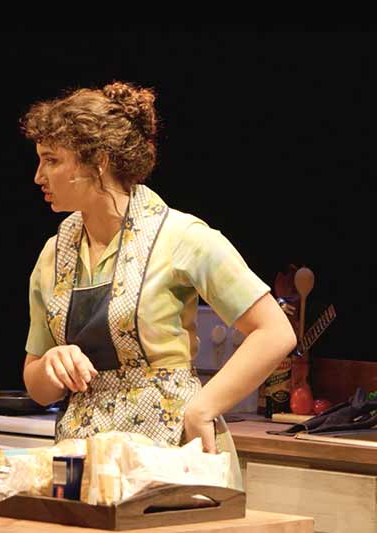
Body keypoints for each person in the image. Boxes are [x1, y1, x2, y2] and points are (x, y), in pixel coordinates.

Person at [20, 82, 296, 488]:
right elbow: (38, 388)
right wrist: (52, 365)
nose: (38, 175)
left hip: (170, 451)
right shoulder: (54, 253)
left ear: (98, 160)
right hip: (83, 459)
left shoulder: (180, 236)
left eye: (52, 160)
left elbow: (275, 331)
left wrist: (202, 409)